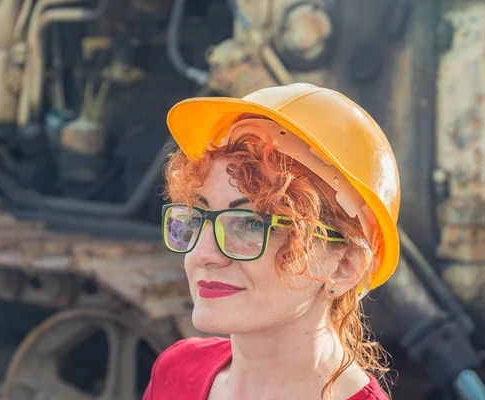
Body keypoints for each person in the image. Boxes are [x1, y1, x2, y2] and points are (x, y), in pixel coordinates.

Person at [143, 83, 401, 400]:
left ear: (345, 266)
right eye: (199, 215)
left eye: (250, 224)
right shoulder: (177, 370)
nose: (203, 254)